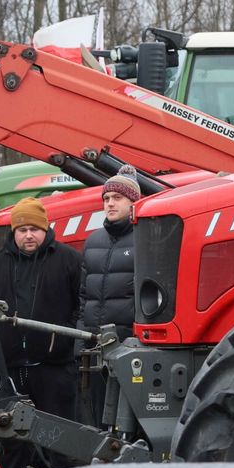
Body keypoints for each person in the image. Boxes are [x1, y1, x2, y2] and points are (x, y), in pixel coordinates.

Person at [0, 197, 83, 468]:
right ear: (14, 231)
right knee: (11, 436)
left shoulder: (67, 260)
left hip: (53, 364)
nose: (29, 235)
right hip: (10, 366)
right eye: (22, 229)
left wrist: (67, 343)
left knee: (60, 434)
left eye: (34, 228)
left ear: (45, 228)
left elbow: (83, 305)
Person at [79, 165, 139, 425]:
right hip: (94, 343)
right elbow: (83, 295)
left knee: (128, 415)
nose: (110, 204)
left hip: (127, 343)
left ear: (133, 202)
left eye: (117, 198)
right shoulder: (93, 242)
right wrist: (81, 339)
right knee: (98, 414)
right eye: (106, 198)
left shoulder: (144, 239)